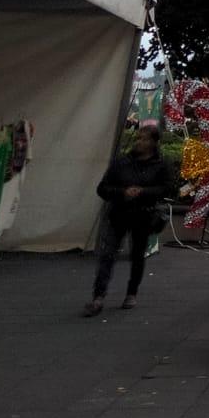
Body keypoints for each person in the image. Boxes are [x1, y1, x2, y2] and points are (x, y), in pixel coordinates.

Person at [83, 126, 178, 317]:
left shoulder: (161, 165)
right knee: (108, 254)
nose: (140, 142)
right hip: (119, 213)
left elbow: (168, 189)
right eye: (139, 138)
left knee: (137, 255)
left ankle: (131, 292)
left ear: (154, 143)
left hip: (143, 215)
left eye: (145, 139)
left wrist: (144, 192)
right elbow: (103, 188)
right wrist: (122, 192)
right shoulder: (122, 162)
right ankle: (98, 295)